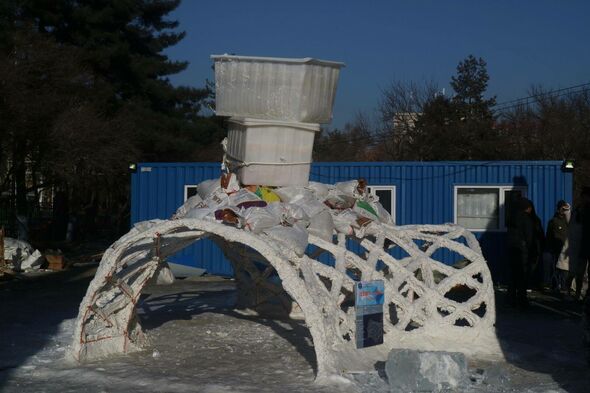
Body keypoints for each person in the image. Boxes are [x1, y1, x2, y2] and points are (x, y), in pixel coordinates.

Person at [507, 197, 535, 307]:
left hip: (512, 250)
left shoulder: (511, 218)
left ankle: (511, 298)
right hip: (522, 252)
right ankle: (522, 300)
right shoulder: (526, 219)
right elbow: (529, 237)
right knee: (522, 277)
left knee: (513, 276)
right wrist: (531, 249)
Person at [567, 187, 590, 301]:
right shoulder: (578, 211)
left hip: (583, 245)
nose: (583, 199)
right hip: (581, 246)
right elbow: (573, 228)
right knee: (578, 271)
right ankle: (577, 293)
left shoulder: (582, 211)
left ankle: (582, 294)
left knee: (581, 271)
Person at [545, 200, 570, 292]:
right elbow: (549, 235)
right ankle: (555, 285)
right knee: (555, 268)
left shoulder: (568, 221)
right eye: (562, 208)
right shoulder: (553, 221)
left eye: (564, 208)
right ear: (558, 209)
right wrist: (549, 247)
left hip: (565, 249)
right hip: (555, 249)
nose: (563, 210)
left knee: (565, 269)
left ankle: (564, 286)